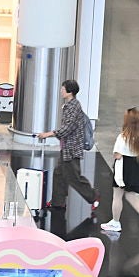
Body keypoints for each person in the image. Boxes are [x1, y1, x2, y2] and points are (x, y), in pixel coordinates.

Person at [38, 79, 99, 210]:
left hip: (71, 149)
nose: (61, 90)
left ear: (70, 92)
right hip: (66, 148)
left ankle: (93, 196)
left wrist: (48, 134)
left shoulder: (74, 106)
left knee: (74, 178)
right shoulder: (69, 105)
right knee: (59, 174)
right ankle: (57, 202)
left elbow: (68, 128)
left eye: (63, 89)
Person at [102, 107, 139, 232]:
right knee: (132, 196)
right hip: (135, 168)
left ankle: (115, 222)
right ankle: (114, 222)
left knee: (117, 196)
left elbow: (117, 155)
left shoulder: (123, 137)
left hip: (122, 170)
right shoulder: (138, 137)